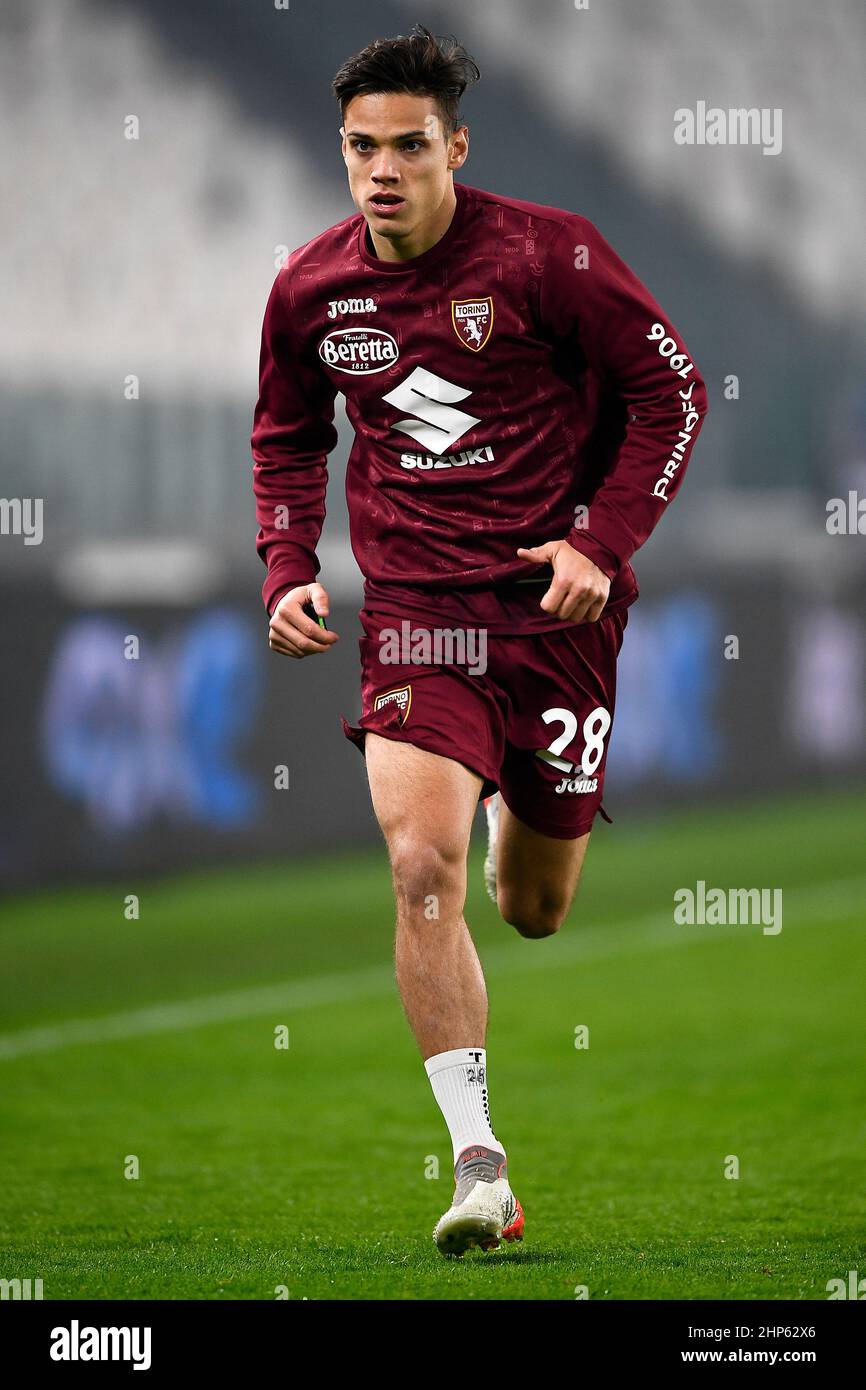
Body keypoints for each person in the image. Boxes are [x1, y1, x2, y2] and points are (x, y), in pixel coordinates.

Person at [251, 24, 708, 1256]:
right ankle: (479, 1166)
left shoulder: (548, 254)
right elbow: (288, 434)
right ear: (340, 150)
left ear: (456, 145)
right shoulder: (307, 288)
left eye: (409, 145)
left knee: (532, 908)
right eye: (361, 147)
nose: (383, 169)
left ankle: (520, 809)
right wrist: (288, 564)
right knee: (417, 870)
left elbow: (674, 391)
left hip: (556, 613)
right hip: (415, 618)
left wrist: (599, 545)